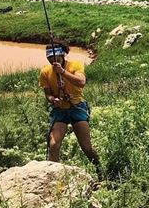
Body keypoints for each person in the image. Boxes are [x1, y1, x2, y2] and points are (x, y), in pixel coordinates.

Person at [39, 40, 102, 177]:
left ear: (62, 56)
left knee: (86, 147)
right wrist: (53, 100)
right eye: (49, 58)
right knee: (54, 144)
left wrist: (62, 72)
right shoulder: (45, 72)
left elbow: (81, 82)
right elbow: (48, 94)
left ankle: (100, 171)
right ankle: (53, 176)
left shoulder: (75, 65)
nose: (51, 60)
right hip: (60, 110)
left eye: (54, 57)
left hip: (76, 107)